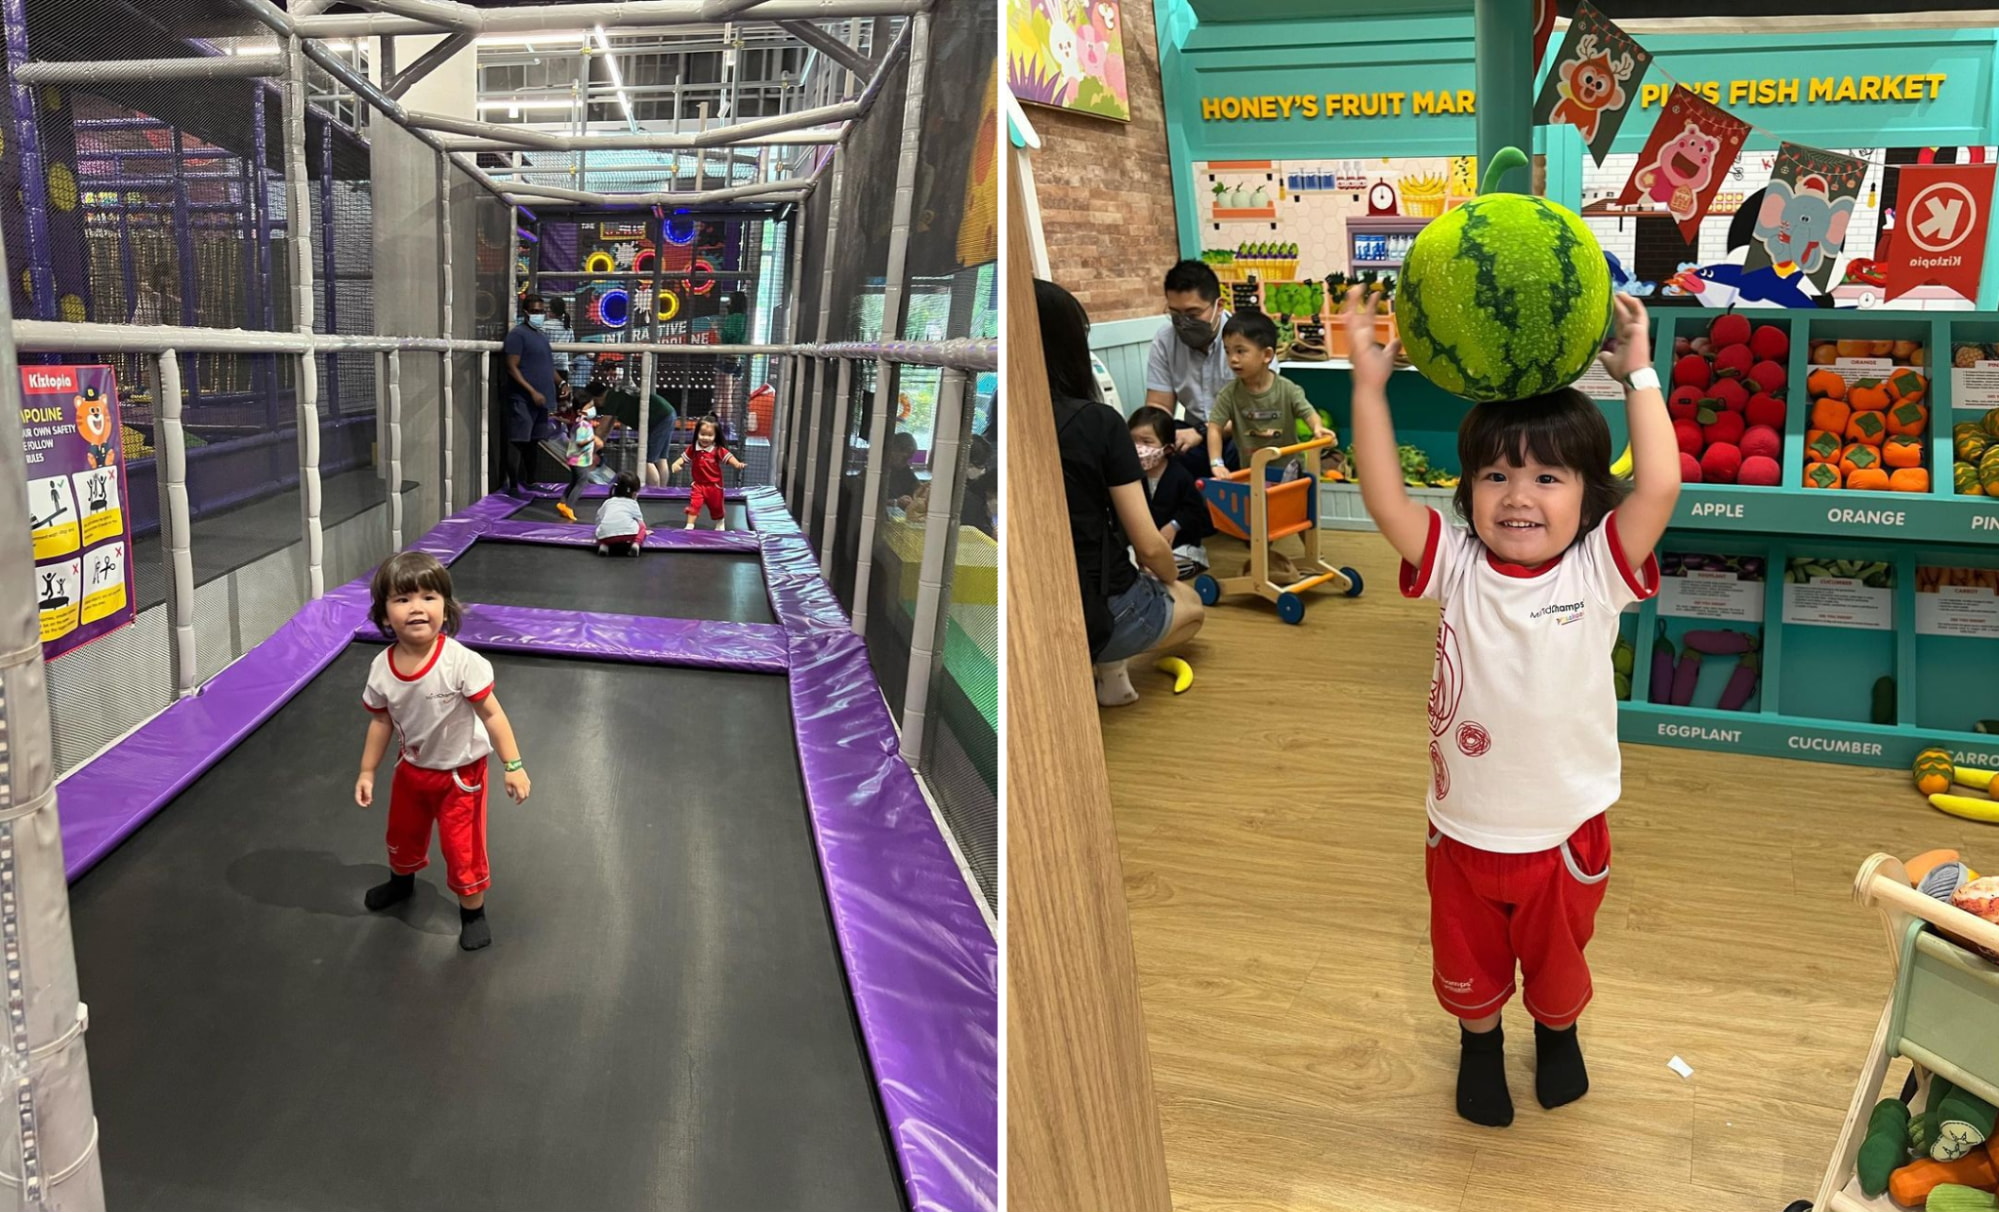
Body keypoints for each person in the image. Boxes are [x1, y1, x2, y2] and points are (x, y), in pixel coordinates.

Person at [1345, 288, 1678, 1128]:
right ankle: (1479, 1044)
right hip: (1460, 825)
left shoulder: (1596, 569)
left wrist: (1638, 376)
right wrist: (1367, 387)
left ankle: (1557, 1032)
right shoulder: (1456, 564)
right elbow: (1385, 499)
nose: (1516, 495)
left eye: (1545, 476)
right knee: (1466, 958)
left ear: (1587, 493)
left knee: (1559, 962)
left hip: (1564, 827)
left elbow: (1661, 488)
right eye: (1494, 474)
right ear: (1467, 489)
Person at [355, 551, 531, 952]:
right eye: (402, 600)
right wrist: (367, 771)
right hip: (412, 770)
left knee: (462, 847)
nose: (417, 608)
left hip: (460, 776)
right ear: (384, 616)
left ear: (446, 609)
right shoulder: (382, 667)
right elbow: (380, 721)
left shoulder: (461, 662)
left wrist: (513, 765)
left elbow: (493, 715)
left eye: (428, 598)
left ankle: (473, 911)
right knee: (402, 834)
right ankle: (402, 882)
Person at [1039, 278, 1203, 707]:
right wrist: (1167, 580)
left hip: (1036, 602)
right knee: (1190, 605)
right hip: (1097, 604)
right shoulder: (1097, 423)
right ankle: (1109, 662)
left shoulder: (1005, 413)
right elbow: (1149, 546)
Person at [1207, 310, 1337, 583]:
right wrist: (1217, 463)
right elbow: (1215, 427)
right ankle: (1261, 567)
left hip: (1291, 470)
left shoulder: (1286, 388)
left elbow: (1307, 412)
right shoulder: (1230, 394)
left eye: (1241, 351)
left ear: (1266, 355)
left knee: (1303, 514)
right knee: (1258, 523)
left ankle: (1314, 555)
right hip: (1254, 474)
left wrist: (1317, 427)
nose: (1233, 359)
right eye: (1228, 351)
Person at [1143, 259, 1236, 479]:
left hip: (1236, 434)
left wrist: (1202, 432)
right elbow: (1158, 406)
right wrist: (1153, 439)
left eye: (1193, 314)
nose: (1183, 322)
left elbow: (1253, 415)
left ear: (1218, 306)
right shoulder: (1166, 340)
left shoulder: (1248, 340)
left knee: (1241, 449)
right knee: (1164, 444)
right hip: (1193, 436)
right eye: (1176, 314)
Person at [1127, 406, 1211, 577]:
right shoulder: (1130, 476)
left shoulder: (1180, 476)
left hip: (1179, 544)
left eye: (1146, 442)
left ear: (1167, 448)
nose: (1139, 448)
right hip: (1146, 545)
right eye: (1133, 441)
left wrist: (1174, 526)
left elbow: (1195, 509)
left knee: (1185, 560)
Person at [502, 295, 557, 497]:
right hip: (523, 399)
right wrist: (531, 391)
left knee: (533, 441)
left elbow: (548, 366)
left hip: (540, 401)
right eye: (535, 311)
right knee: (518, 441)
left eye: (541, 311)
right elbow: (511, 366)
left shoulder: (541, 337)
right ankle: (513, 486)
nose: (539, 315)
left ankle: (531, 481)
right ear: (525, 312)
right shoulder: (517, 335)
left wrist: (562, 383)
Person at [669, 415, 746, 530]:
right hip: (698, 485)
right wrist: (676, 464)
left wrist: (737, 464)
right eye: (702, 434)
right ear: (697, 434)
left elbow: (728, 457)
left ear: (715, 436)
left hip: (714, 485)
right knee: (694, 504)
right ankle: (689, 525)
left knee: (716, 507)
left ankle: (720, 521)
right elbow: (683, 458)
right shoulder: (693, 449)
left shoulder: (717, 450)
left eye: (710, 435)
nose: (705, 438)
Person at [555, 382, 608, 522]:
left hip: (575, 458)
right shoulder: (583, 424)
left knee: (574, 481)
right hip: (579, 460)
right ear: (581, 410)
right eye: (589, 407)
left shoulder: (580, 421)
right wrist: (592, 439)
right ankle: (569, 506)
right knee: (582, 482)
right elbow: (580, 442)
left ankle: (562, 502)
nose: (592, 409)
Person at [595, 471, 648, 556]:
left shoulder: (608, 502)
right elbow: (640, 521)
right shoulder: (633, 503)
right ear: (634, 494)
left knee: (601, 528)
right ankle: (636, 544)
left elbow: (598, 518)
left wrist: (600, 528)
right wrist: (644, 532)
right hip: (629, 535)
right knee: (642, 527)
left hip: (607, 537)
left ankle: (603, 545)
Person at [885, 430, 920, 509]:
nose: (906, 463)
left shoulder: (905, 470)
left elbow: (917, 489)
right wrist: (895, 502)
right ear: (893, 451)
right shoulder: (877, 470)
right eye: (904, 459)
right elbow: (870, 500)